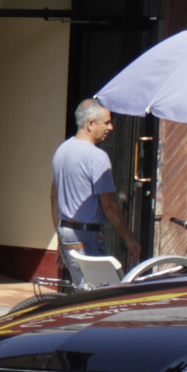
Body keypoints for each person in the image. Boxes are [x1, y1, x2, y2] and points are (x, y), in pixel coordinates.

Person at [52, 100, 138, 286]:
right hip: (87, 235)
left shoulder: (62, 150)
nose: (111, 127)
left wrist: (60, 236)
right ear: (90, 124)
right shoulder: (97, 157)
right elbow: (109, 207)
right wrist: (129, 240)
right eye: (106, 122)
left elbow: (53, 197)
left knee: (82, 290)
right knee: (101, 294)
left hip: (67, 232)